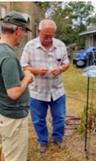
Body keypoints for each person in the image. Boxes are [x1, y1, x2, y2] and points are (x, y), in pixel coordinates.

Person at [0, 11, 34, 161]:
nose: (23, 36)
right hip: (12, 117)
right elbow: (13, 93)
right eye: (24, 32)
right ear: (18, 30)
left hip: (2, 113)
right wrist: (27, 78)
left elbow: (3, 78)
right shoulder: (7, 56)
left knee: (8, 152)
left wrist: (21, 74)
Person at [20, 19, 70, 153]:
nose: (48, 39)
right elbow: (23, 66)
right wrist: (35, 71)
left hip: (57, 90)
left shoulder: (60, 45)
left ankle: (58, 138)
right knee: (38, 119)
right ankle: (42, 141)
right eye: (45, 36)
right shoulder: (30, 46)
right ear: (38, 31)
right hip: (38, 91)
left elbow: (66, 64)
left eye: (51, 36)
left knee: (59, 117)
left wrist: (60, 69)